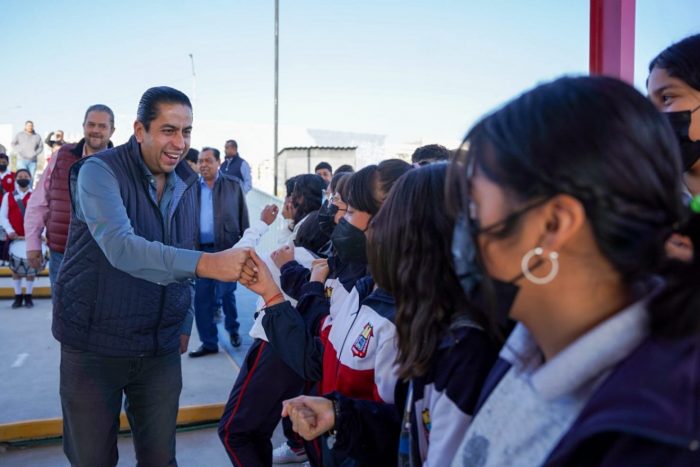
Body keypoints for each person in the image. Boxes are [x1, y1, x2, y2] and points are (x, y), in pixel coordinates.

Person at [447, 76, 700, 466]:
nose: (464, 229)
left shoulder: (661, 441)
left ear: (552, 226)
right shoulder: (530, 343)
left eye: (476, 207)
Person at [51, 86, 252, 467]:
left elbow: (183, 245)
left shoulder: (188, 183)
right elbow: (122, 247)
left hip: (159, 348)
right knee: (92, 460)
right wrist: (208, 263)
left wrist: (184, 319)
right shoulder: (98, 171)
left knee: (161, 459)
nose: (179, 143)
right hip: (94, 345)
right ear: (139, 129)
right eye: (168, 130)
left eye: (186, 131)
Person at [281, 164, 501, 466]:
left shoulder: (465, 348)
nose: (375, 233)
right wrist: (340, 414)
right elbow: (410, 422)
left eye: (389, 220)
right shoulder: (412, 310)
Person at [240, 160, 412, 466]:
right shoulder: (362, 289)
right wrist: (335, 413)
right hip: (337, 448)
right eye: (336, 204)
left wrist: (275, 294)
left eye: (348, 209)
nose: (337, 218)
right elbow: (323, 351)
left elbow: (402, 431)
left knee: (236, 432)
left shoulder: (402, 315)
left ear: (387, 219)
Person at [214, 175, 326, 466]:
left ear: (295, 200)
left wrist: (261, 223)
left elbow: (239, 256)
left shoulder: (294, 256)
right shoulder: (312, 248)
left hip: (275, 342)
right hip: (298, 345)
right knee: (259, 428)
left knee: (235, 431)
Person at [24, 105, 116, 286]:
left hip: (105, 256)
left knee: (103, 314)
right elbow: (39, 201)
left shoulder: (121, 163)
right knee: (62, 313)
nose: (96, 130)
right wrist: (32, 243)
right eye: (91, 125)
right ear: (83, 127)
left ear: (112, 131)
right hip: (62, 253)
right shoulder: (62, 156)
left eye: (102, 126)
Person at [189, 147, 249, 356]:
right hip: (201, 252)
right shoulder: (191, 189)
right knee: (202, 299)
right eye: (200, 161)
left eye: (208, 160)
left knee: (226, 293)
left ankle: (233, 330)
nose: (203, 165)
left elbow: (243, 218)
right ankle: (209, 342)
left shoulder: (233, 185)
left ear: (218, 162)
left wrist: (245, 247)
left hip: (226, 249)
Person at [1, 169, 40, 308]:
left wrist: (40, 233)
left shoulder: (36, 195)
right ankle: (18, 296)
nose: (23, 178)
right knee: (15, 268)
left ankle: (28, 296)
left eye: (25, 176)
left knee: (31, 267)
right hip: (15, 237)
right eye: (20, 176)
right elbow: (3, 216)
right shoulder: (8, 196)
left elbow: (41, 215)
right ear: (16, 178)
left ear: (30, 178)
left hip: (31, 237)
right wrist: (10, 231)